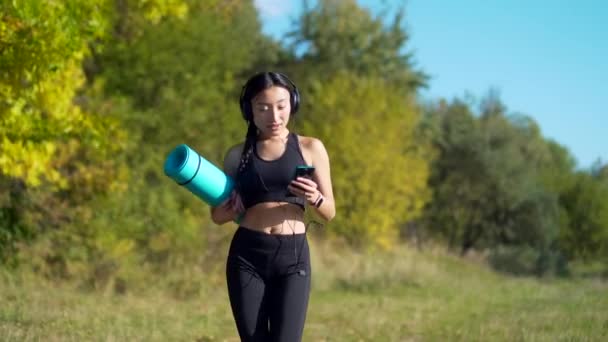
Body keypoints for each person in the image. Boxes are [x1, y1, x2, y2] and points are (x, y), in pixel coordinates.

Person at [210, 71, 336, 341]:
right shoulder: (237, 155)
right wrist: (230, 208)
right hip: (246, 256)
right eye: (263, 108)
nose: (274, 116)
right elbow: (217, 216)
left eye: (281, 106)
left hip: (293, 257)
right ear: (249, 111)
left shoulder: (311, 147)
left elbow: (329, 213)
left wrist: (315, 197)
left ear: (293, 104)